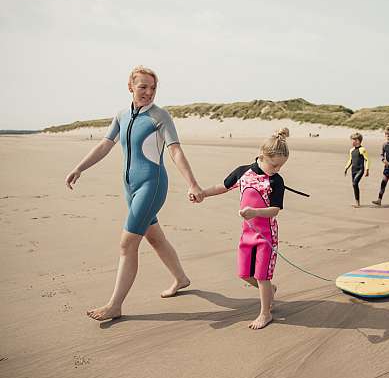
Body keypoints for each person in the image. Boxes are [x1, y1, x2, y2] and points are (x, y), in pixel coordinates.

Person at [65, 65, 204, 321]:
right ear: (130, 87)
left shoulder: (160, 116)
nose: (148, 92)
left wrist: (192, 183)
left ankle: (115, 305)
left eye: (153, 88)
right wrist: (79, 167)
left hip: (151, 186)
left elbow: (175, 151)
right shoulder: (121, 116)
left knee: (127, 243)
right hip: (130, 188)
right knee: (155, 238)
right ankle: (181, 279)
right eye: (143, 87)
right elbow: (105, 145)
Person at [197, 128, 289, 330]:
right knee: (244, 273)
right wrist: (202, 193)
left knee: (262, 276)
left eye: (281, 165)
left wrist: (255, 212)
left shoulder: (275, 180)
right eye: (275, 164)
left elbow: (274, 210)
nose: (278, 169)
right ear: (262, 155)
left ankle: (265, 313)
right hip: (247, 234)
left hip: (266, 236)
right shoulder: (243, 172)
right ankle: (270, 290)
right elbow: (222, 186)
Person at [344, 132, 369, 207]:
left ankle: (358, 203)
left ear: (358, 141)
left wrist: (367, 169)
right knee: (354, 185)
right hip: (353, 170)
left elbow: (367, 159)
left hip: (360, 170)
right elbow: (350, 160)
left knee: (355, 183)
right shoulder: (351, 150)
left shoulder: (362, 149)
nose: (352, 142)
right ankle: (357, 203)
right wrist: (346, 168)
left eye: (353, 140)